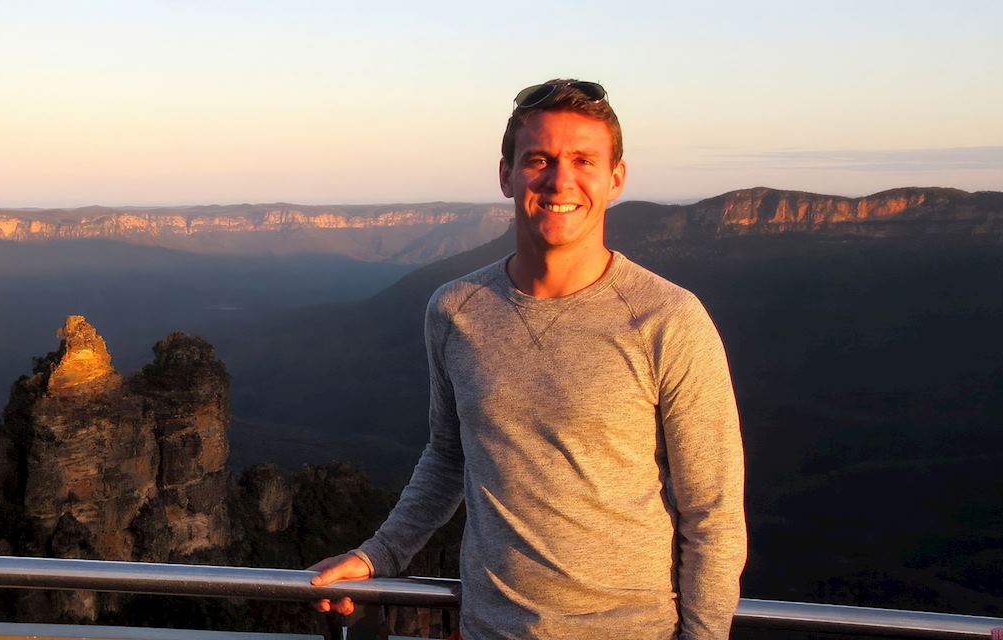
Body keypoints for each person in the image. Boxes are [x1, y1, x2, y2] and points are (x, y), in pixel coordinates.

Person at [307, 79, 746, 640]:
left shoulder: (669, 319)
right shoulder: (456, 310)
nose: (560, 180)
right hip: (488, 628)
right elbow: (447, 457)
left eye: (583, 160)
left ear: (616, 178)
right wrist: (377, 556)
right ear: (506, 175)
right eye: (538, 159)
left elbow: (713, 514)